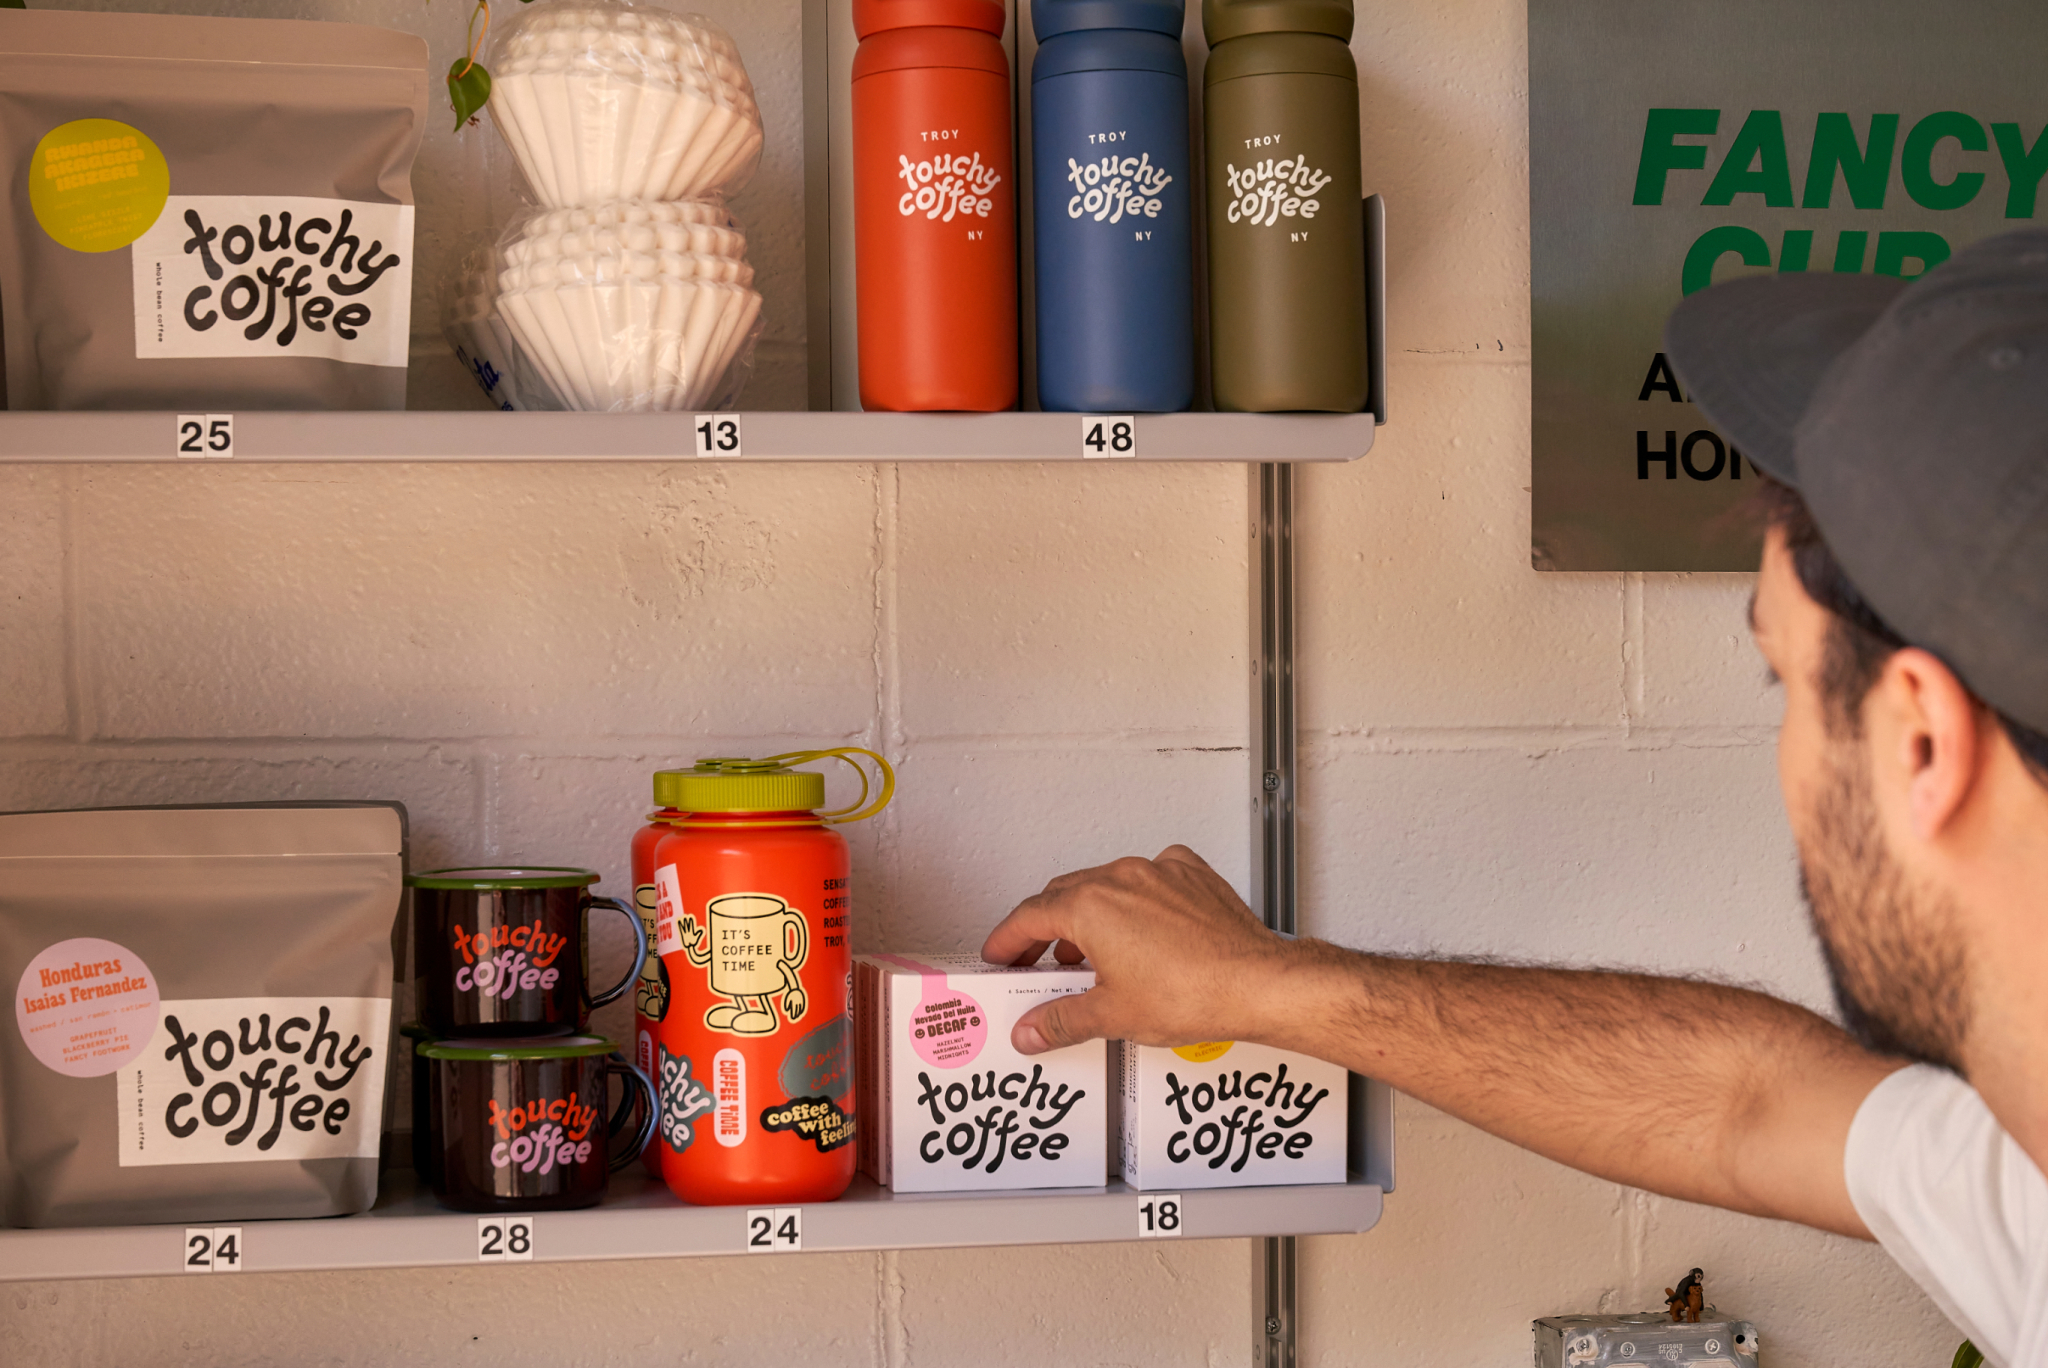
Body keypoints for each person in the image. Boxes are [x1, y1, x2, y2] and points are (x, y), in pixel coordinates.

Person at [982, 229, 2048, 1363]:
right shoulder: (2013, 1166)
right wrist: (1263, 982)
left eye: (1778, 678)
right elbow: (1746, 1105)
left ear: (1919, 744)